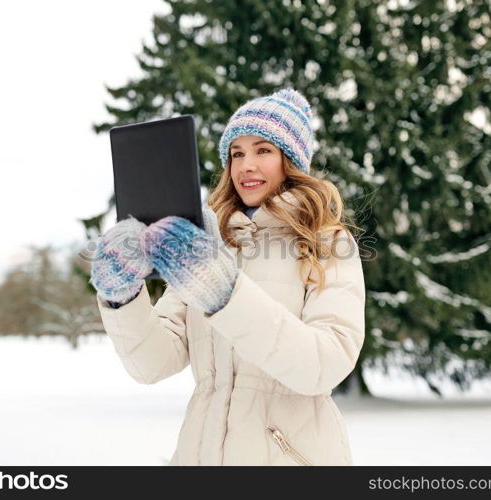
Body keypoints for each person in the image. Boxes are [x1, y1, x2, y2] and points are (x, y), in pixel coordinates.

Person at [89, 88, 366, 466]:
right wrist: (121, 295)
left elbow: (323, 366)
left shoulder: (327, 243)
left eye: (263, 150)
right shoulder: (210, 242)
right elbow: (152, 363)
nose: (246, 165)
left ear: (292, 160)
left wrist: (224, 293)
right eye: (237, 153)